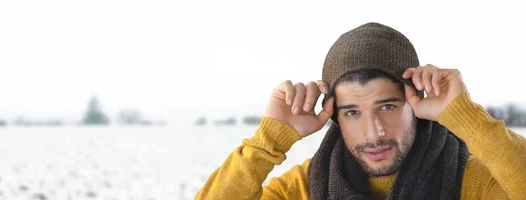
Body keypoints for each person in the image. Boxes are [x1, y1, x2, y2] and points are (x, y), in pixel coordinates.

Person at [195, 22, 526, 199]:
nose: (374, 132)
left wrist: (465, 117)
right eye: (352, 112)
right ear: (335, 118)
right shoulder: (303, 190)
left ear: (417, 104)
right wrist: (267, 143)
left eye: (387, 106)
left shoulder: (473, 183)